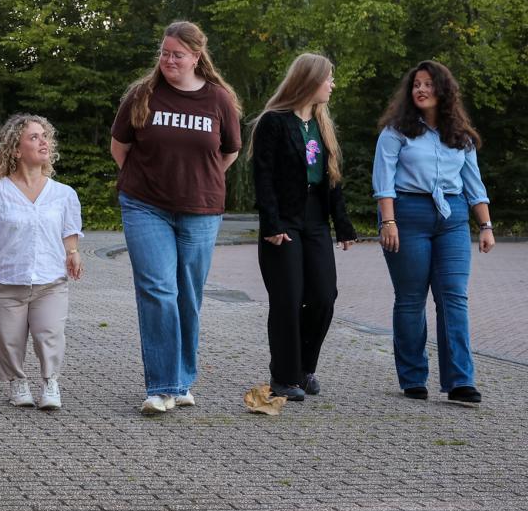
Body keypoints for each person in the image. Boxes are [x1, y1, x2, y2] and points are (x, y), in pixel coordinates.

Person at [110, 21, 242, 414]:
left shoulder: (218, 100)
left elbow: (229, 151)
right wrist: (147, 181)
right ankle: (162, 386)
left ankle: (181, 382)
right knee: (158, 290)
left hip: (200, 210)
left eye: (177, 55)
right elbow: (119, 147)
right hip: (145, 205)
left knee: (188, 295)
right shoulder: (142, 95)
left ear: (196, 57)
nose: (168, 60)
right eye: (165, 53)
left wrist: (198, 181)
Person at [372, 60, 494, 405]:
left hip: (452, 218)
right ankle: (413, 378)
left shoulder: (460, 136)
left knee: (453, 296)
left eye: (428, 84)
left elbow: (474, 184)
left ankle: (460, 381)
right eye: (416, 85)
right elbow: (383, 180)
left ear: (443, 90)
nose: (421, 90)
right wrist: (388, 222)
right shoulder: (396, 132)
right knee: (411, 299)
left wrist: (485, 226)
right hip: (407, 214)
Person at [249, 53, 356, 402]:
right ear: (309, 81)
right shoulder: (274, 122)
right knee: (288, 299)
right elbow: (263, 176)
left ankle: (304, 368)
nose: (332, 84)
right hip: (284, 220)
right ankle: (283, 376)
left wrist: (342, 225)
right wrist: (271, 222)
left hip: (316, 221)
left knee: (324, 296)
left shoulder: (322, 124)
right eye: (328, 78)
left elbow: (332, 180)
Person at [0, 115, 83, 411]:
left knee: (50, 334)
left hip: (50, 280)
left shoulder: (63, 194)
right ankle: (17, 382)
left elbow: (69, 229)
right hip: (5, 280)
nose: (43, 142)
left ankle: (50, 382)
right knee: (8, 340)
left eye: (45, 136)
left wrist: (73, 252)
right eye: (34, 137)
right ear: (16, 150)